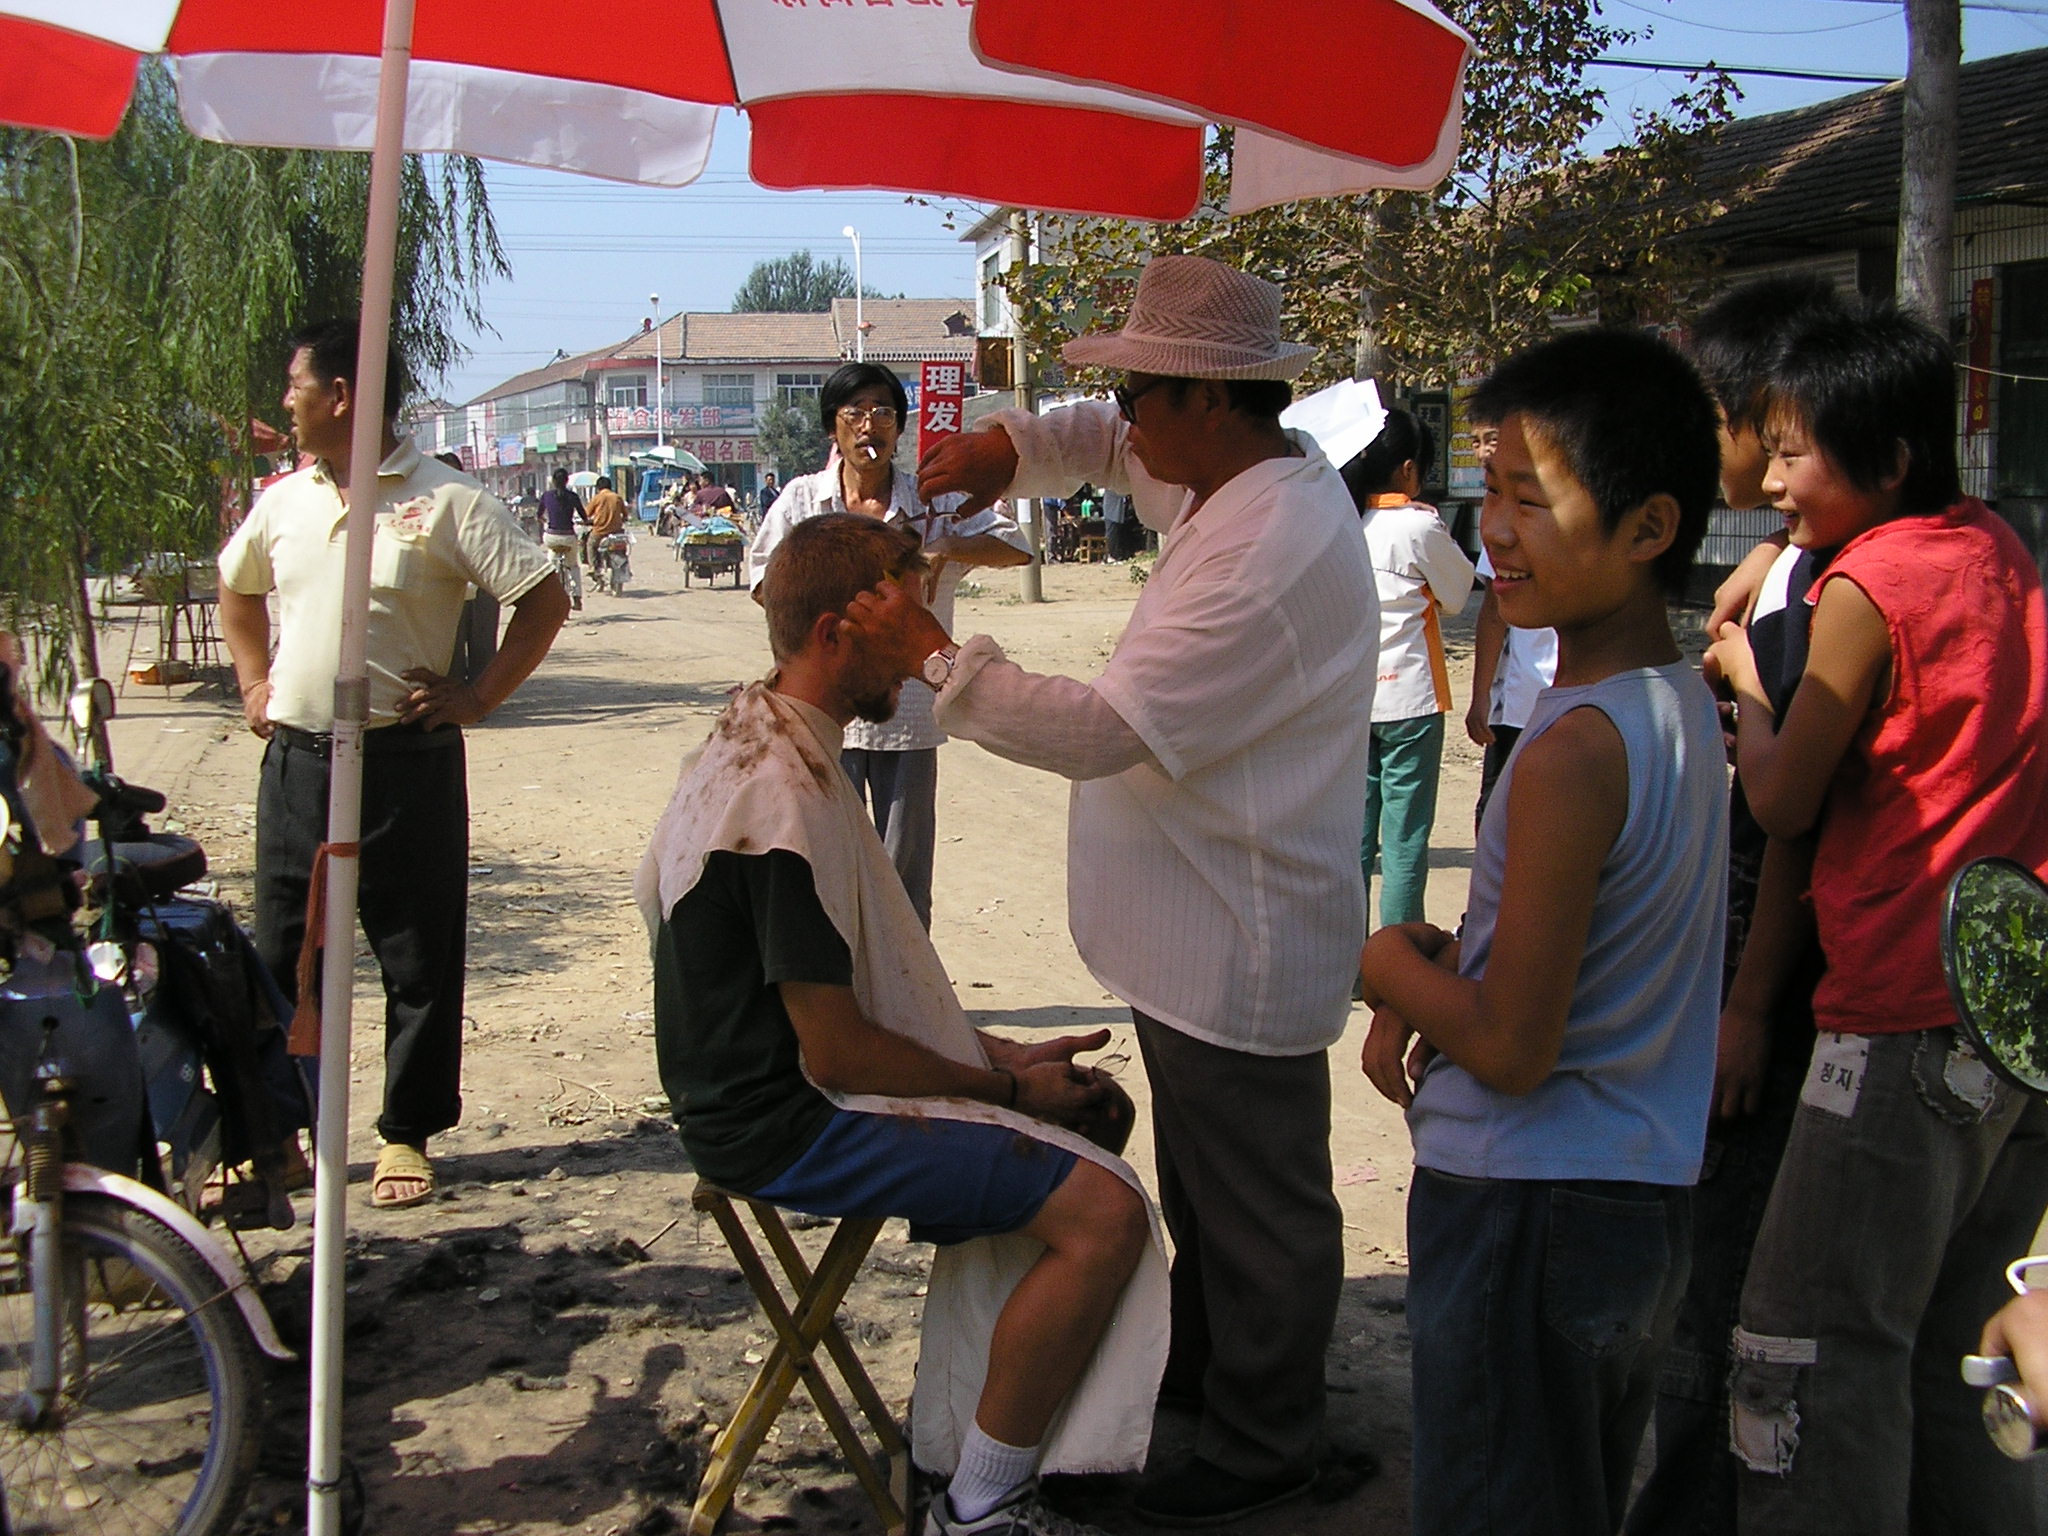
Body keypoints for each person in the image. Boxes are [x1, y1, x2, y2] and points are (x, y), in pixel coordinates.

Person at [861, 254, 1379, 1525]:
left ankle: (1266, 1445)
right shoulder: (1231, 461)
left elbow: (1099, 731)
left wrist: (937, 661)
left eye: (1144, 393)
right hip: (1191, 923)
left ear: (1213, 400)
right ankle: (1206, 1376)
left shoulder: (1266, 551)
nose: (1128, 419)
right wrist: (1010, 444)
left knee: (1259, 1201)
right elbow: (1104, 442)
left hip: (1238, 931)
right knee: (1211, 1182)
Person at [637, 513, 1164, 1536]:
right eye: (906, 626)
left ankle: (971, 1439)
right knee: (1104, 1214)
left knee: (1090, 1123)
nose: (923, 655)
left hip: (775, 1087)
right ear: (837, 631)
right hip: (781, 1118)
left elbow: (854, 996)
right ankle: (978, 1502)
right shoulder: (774, 795)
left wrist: (994, 1057)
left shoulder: (766, 735)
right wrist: (1003, 1089)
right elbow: (835, 1051)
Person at [1359, 328, 1728, 1535]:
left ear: (1647, 528)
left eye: (1532, 499)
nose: (1494, 534)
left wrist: (1380, 965)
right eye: (1488, 495)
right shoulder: (1672, 705)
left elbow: (1514, 1046)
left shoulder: (1572, 748)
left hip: (1528, 1202)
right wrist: (1442, 968)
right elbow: (1567, 958)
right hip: (1630, 1195)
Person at [1704, 303, 2048, 1534]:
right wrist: (1779, 560)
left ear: (1887, 460)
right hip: (2011, 1010)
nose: (1774, 480)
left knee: (1800, 1347)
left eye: (1796, 454)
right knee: (1951, 1350)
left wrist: (1749, 685)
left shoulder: (1867, 584)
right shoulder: (1990, 544)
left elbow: (1787, 795)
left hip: (1899, 1012)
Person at [217, 318, 568, 1209]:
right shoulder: (286, 500)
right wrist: (254, 682)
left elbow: (542, 597)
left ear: (341, 394)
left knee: (418, 952)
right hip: (298, 763)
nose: (285, 405)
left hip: (405, 763)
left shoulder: (448, 501)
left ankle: (404, 1131)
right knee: (284, 956)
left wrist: (478, 696)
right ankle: (281, 1134)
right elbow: (237, 584)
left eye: (295, 388)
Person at [1627, 272, 1852, 1536]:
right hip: (1764, 973)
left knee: (1723, 1291)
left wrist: (1747, 1004)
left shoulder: (1817, 596)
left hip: (1773, 983)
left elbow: (1787, 827)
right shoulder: (1801, 566)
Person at [747, 362, 1031, 929]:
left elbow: (1017, 549)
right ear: (834, 427)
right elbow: (762, 579)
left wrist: (949, 547)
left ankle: (908, 996)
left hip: (910, 714)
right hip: (824, 712)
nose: (868, 426)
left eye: (882, 413)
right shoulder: (804, 502)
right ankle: (845, 994)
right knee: (825, 858)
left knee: (904, 873)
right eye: (853, 414)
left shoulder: (931, 503)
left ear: (899, 428)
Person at [1344, 407, 1474, 926]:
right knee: (1405, 841)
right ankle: (1396, 961)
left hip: (1355, 701)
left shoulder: (1343, 522)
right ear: (1407, 469)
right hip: (1412, 700)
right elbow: (1460, 594)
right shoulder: (1418, 527)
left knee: (1354, 840)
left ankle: (1347, 963)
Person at [539, 466, 586, 611]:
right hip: (568, 537)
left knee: (550, 566)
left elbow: (539, 515)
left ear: (553, 481)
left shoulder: (546, 496)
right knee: (573, 566)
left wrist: (545, 522)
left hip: (551, 537)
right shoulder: (573, 496)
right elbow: (584, 516)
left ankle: (549, 597)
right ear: (567, 481)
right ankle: (577, 598)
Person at [584, 474, 628, 583]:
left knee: (590, 545)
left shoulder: (597, 498)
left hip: (599, 532)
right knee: (623, 549)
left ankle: (593, 567)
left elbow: (586, 514)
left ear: (598, 488)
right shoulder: (617, 497)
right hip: (616, 533)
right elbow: (625, 515)